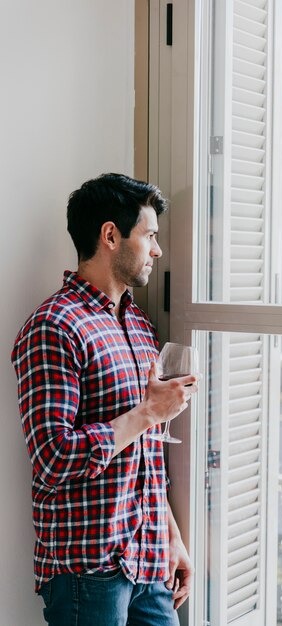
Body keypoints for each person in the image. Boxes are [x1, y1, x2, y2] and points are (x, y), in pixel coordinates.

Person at [11, 173, 198, 626]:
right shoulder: (54, 327)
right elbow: (54, 457)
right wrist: (150, 411)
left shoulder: (137, 324)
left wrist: (171, 534)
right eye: (149, 236)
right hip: (87, 570)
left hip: (149, 559)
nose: (157, 250)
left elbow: (146, 452)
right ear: (110, 235)